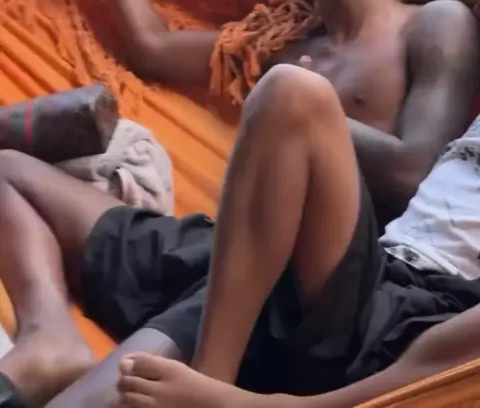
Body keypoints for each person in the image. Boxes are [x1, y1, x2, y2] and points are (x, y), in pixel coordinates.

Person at [0, 0, 475, 408]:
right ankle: (50, 336)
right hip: (239, 242)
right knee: (10, 171)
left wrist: (300, 119)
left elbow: (415, 171)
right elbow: (152, 48)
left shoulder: (433, 23)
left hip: (345, 272)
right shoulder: (279, 45)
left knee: (287, 104)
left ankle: (198, 382)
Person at [114, 86, 480, 408]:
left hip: (447, 334)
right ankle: (211, 375)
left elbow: (408, 167)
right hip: (380, 276)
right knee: (292, 94)